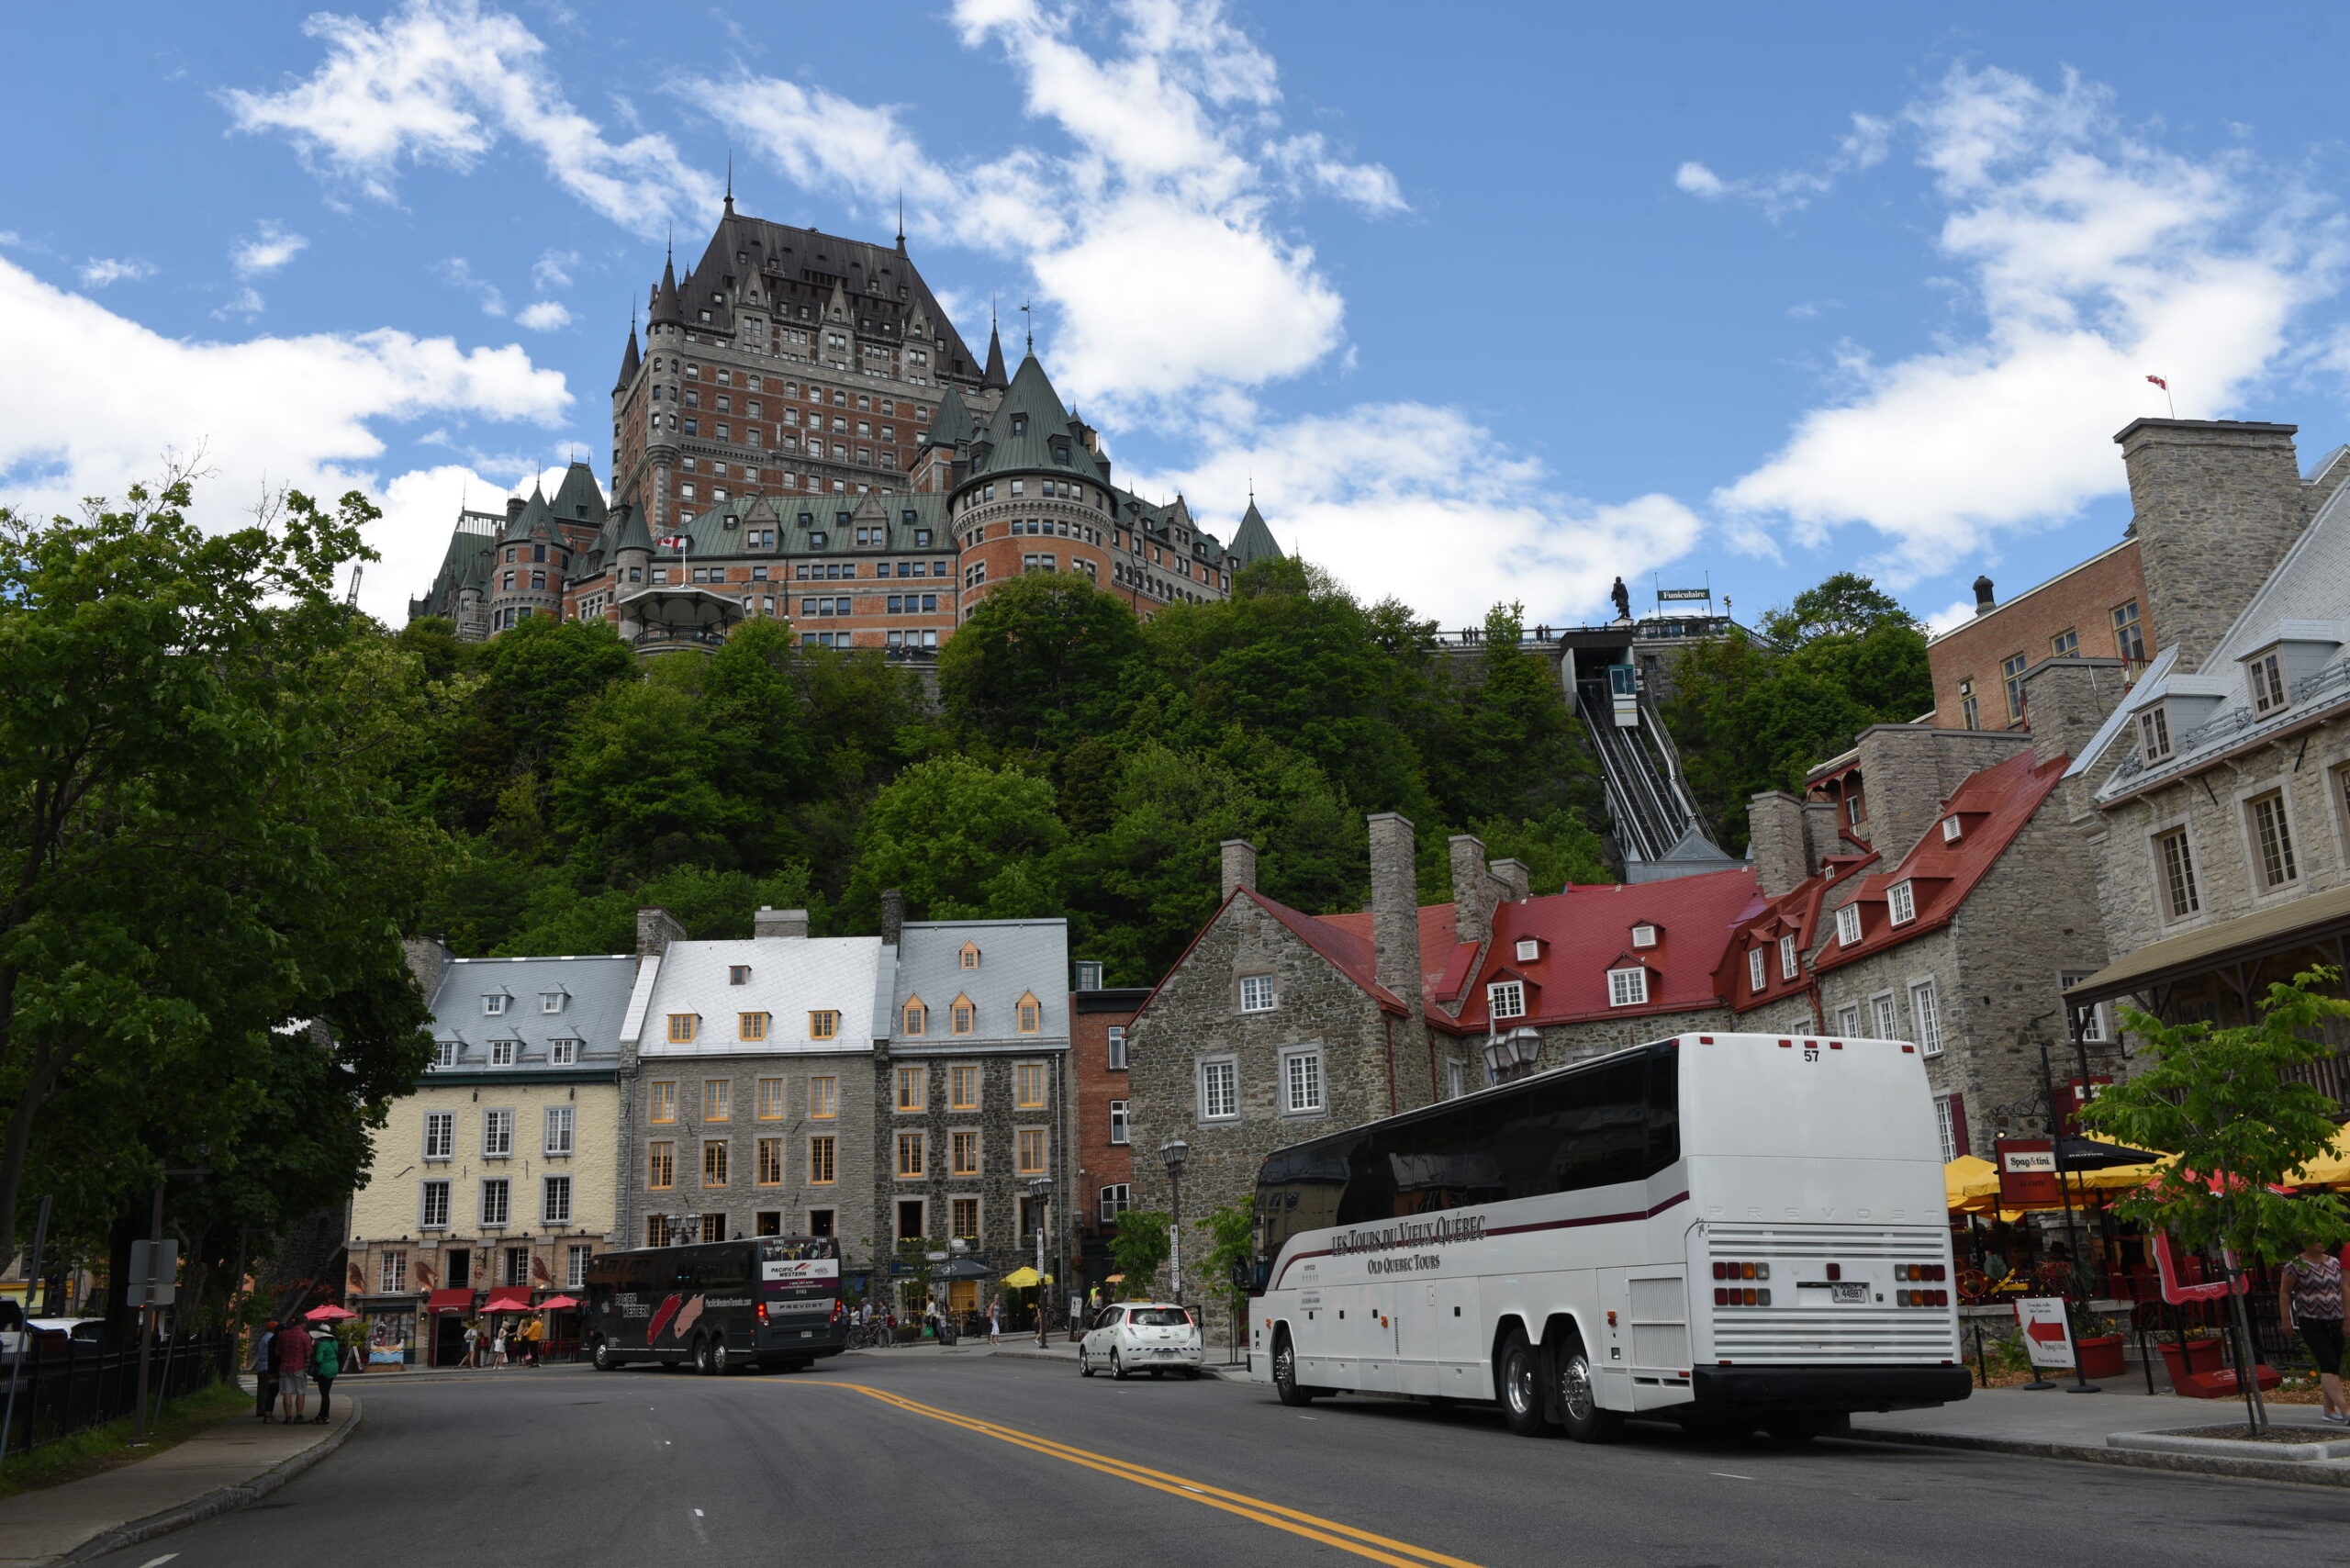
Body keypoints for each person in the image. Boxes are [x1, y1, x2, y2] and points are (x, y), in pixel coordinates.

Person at [2281, 1240, 2348, 1423]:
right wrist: (2286, 1319)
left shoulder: (2334, 1262)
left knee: (2332, 1365)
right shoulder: (2295, 1265)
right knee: (2328, 1362)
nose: (2321, 1243)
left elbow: (2344, 1286)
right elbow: (2285, 1291)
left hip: (2336, 1319)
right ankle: (2345, 1410)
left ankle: (2329, 1409)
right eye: (2317, 1240)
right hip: (2311, 1320)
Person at [275, 1319, 314, 1424]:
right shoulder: (305, 1336)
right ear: (303, 1324)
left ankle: (288, 1417)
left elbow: (277, 1352)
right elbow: (308, 1353)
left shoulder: (283, 1335)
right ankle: (299, 1416)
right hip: (299, 1366)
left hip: (284, 1366)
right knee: (300, 1392)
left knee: (287, 1392)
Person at [252, 1319, 281, 1422]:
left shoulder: (264, 1338)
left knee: (262, 1389)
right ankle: (264, 1409)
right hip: (267, 1366)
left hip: (262, 1366)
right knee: (267, 1389)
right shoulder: (270, 1339)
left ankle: (260, 1408)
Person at [310, 1328, 341, 1424]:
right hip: (333, 1368)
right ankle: (321, 1415)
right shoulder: (334, 1343)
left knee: (324, 1394)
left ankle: (325, 1416)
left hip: (324, 1370)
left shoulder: (323, 1344)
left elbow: (319, 1359)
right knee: (326, 1393)